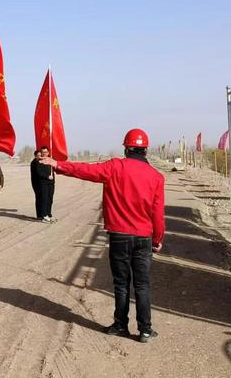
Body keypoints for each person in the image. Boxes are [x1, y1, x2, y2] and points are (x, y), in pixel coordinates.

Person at [40, 129, 165, 343]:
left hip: (119, 236)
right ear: (145, 150)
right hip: (144, 237)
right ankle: (145, 330)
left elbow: (86, 171)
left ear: (126, 148)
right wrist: (157, 239)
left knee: (121, 284)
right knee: (142, 285)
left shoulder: (115, 167)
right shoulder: (156, 177)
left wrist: (59, 165)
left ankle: (120, 325)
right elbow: (158, 213)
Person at [36, 146, 56, 223]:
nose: (44, 154)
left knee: (50, 199)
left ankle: (48, 214)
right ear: (41, 153)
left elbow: (54, 169)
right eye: (43, 152)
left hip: (51, 183)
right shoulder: (39, 162)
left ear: (48, 153)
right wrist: (47, 176)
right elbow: (39, 173)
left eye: (46, 152)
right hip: (43, 183)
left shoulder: (50, 161)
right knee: (44, 199)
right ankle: (44, 216)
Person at [30, 150, 41, 218]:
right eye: (38, 155)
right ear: (35, 155)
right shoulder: (34, 163)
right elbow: (38, 173)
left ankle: (41, 214)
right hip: (36, 183)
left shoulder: (38, 161)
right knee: (38, 198)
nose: (39, 157)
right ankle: (39, 215)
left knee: (41, 198)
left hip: (40, 183)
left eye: (40, 155)